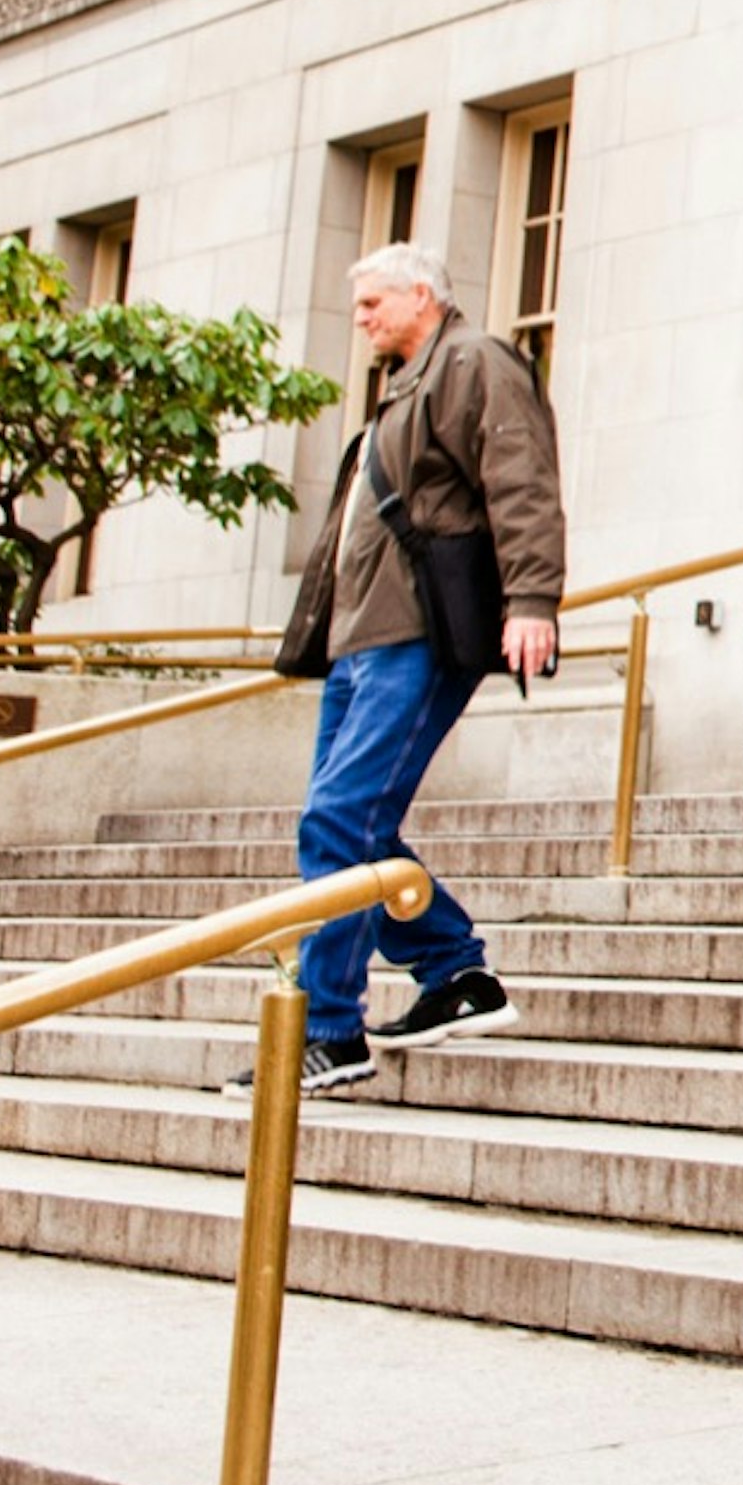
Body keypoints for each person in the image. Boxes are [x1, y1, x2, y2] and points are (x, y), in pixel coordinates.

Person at [237, 243, 565, 1097]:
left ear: (422, 293)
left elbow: (520, 479)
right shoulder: (403, 390)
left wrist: (532, 598)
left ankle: (331, 1031)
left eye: (372, 303)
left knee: (339, 820)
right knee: (351, 829)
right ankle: (455, 972)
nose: (361, 319)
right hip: (362, 640)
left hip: (413, 636)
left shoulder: (472, 361)